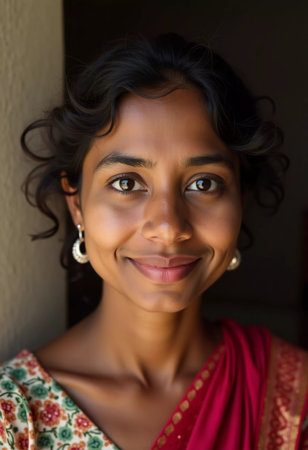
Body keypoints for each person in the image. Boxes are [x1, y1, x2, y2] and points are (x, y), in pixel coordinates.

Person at [0, 33, 307, 450]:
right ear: (77, 204)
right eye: (126, 182)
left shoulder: (292, 398)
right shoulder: (16, 419)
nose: (168, 225)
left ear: (240, 203)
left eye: (204, 183)